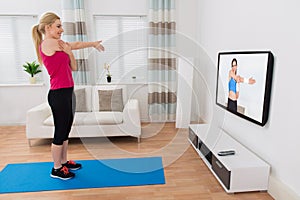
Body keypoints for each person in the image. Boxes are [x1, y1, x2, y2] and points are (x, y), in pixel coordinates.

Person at [32, 12, 104, 180]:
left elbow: (74, 67)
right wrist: (92, 43)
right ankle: (56, 168)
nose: (61, 29)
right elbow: (76, 44)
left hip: (67, 92)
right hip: (58, 94)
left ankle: (63, 162)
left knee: (66, 130)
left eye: (61, 26)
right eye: (58, 26)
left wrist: (70, 53)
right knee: (60, 131)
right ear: (48, 27)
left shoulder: (59, 46)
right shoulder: (49, 43)